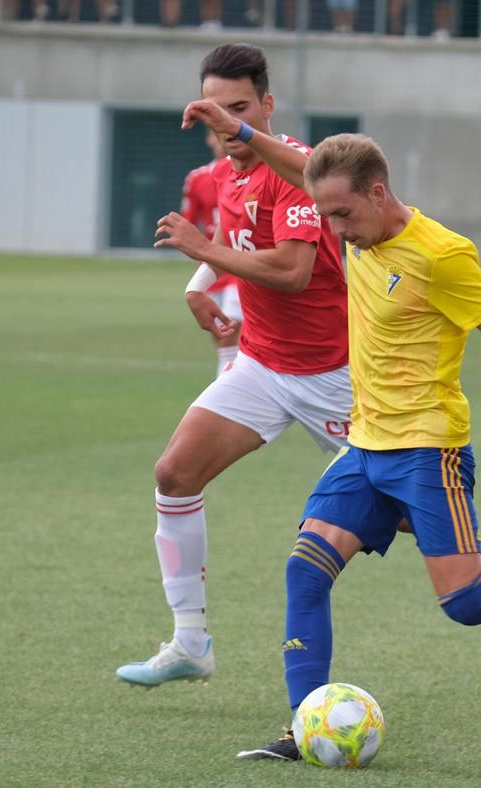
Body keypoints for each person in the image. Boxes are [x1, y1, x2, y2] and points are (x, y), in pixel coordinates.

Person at [177, 106, 481, 761]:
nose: (333, 230)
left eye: (342, 215)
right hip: (365, 446)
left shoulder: (442, 254)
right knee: (305, 572)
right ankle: (305, 725)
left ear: (379, 193)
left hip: (430, 450)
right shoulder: (354, 223)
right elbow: (306, 171)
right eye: (326, 216)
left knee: (465, 602)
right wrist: (246, 136)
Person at [115, 43, 354, 689]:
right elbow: (238, 240)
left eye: (240, 109)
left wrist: (201, 249)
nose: (226, 124)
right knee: (175, 472)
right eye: (215, 110)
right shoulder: (224, 173)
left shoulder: (301, 168)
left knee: (415, 516)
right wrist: (201, 278)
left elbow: (292, 271)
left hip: (335, 376)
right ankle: (191, 642)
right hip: (263, 366)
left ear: (267, 106)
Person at [179, 130, 243, 376]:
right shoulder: (197, 178)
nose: (221, 140)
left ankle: (225, 388)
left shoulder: (249, 174)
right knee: (220, 335)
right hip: (212, 268)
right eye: (216, 135)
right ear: (209, 139)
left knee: (231, 331)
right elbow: (190, 222)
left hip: (240, 267)